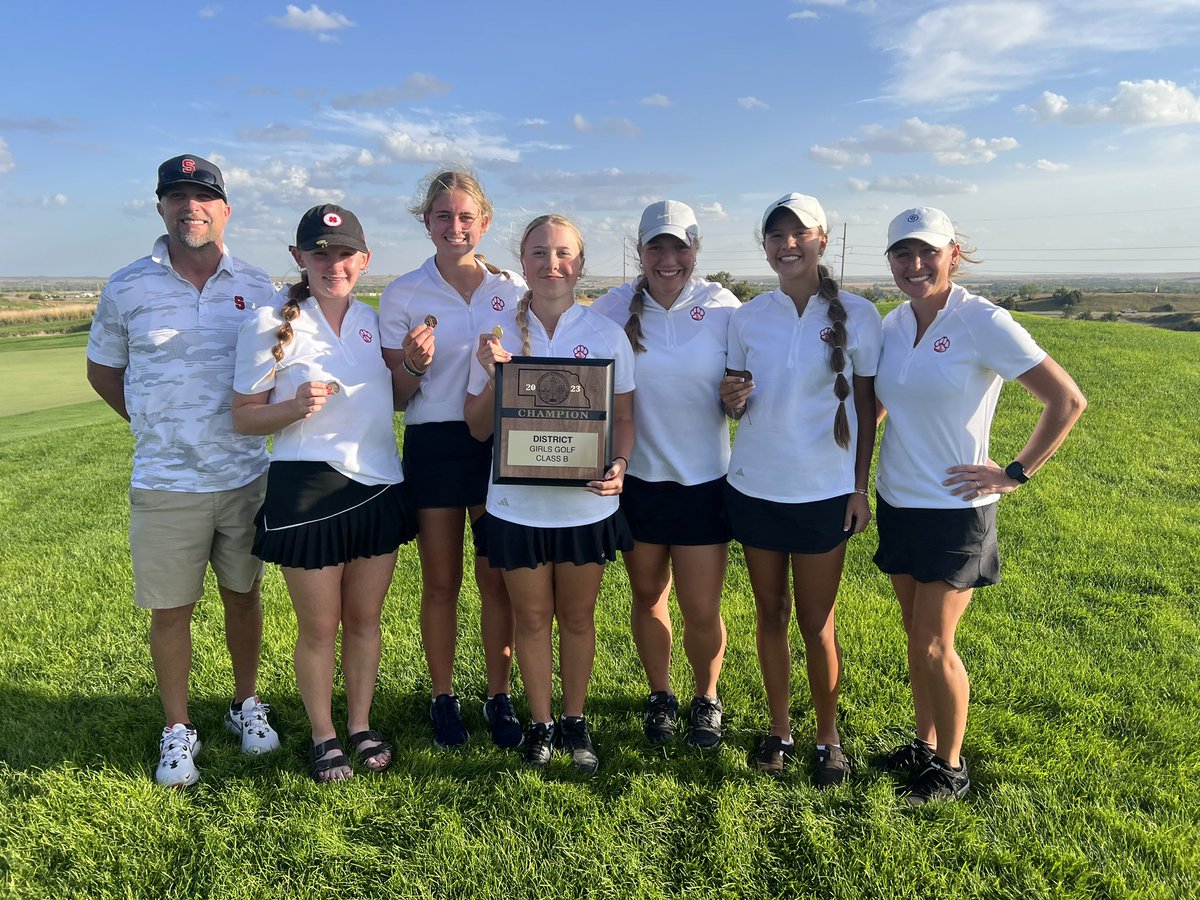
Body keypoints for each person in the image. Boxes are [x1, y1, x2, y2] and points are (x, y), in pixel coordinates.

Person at [872, 207, 1086, 805]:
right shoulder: (894, 323)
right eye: (902, 253)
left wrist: (1015, 472)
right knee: (915, 635)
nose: (915, 264)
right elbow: (886, 403)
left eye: (928, 252)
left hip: (955, 509)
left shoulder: (982, 321)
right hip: (898, 499)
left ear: (953, 254)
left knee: (934, 644)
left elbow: (1066, 400)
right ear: (890, 261)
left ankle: (951, 767)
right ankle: (924, 745)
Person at [86, 154, 281, 787]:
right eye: (177, 196)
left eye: (203, 197)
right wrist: (151, 422)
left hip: (245, 475)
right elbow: (103, 370)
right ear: (161, 207)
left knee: (243, 595)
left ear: (225, 210)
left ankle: (246, 703)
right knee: (171, 609)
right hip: (166, 481)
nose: (189, 207)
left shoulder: (259, 285)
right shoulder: (126, 287)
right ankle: (178, 728)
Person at [231, 205, 417, 782]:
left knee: (365, 620)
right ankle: (323, 734)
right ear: (299, 258)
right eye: (320, 254)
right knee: (319, 627)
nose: (333, 265)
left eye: (344, 254)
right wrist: (292, 407)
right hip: (307, 490)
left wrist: (413, 365)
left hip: (378, 485)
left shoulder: (373, 321)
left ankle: (359, 724)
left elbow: (396, 399)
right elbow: (243, 417)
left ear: (364, 260)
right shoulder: (269, 323)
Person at [720, 193, 882, 786]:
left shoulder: (860, 315)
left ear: (822, 240)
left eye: (799, 234)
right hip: (755, 488)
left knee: (817, 622)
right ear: (765, 245)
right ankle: (780, 730)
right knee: (770, 614)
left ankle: (827, 737)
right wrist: (731, 400)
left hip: (824, 494)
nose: (787, 245)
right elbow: (736, 400)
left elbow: (867, 410)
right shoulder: (747, 317)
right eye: (776, 236)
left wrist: (858, 488)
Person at [464, 214, 635, 775]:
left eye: (563, 253)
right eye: (539, 252)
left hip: (586, 503)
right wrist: (494, 376)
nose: (551, 264)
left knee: (578, 619)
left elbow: (624, 418)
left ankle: (574, 720)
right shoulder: (496, 337)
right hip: (517, 507)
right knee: (532, 619)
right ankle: (540, 723)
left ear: (580, 264)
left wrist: (620, 464)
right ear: (523, 261)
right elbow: (477, 429)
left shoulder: (606, 334)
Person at [379, 170, 528, 750]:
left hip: (496, 443)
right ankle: (443, 697)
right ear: (427, 222)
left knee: (498, 581)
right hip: (434, 444)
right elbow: (396, 397)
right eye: (444, 216)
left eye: (466, 217)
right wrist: (412, 366)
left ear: (483, 223)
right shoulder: (403, 293)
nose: (455, 226)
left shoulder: (512, 288)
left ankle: (498, 695)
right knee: (441, 582)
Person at [591, 201, 738, 748]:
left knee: (702, 607)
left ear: (696, 250)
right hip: (638, 482)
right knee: (648, 595)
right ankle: (661, 695)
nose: (668, 258)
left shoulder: (723, 306)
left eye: (680, 246)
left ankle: (706, 697)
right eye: (657, 246)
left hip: (705, 483)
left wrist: (737, 398)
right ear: (640, 251)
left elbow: (745, 389)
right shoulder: (610, 309)